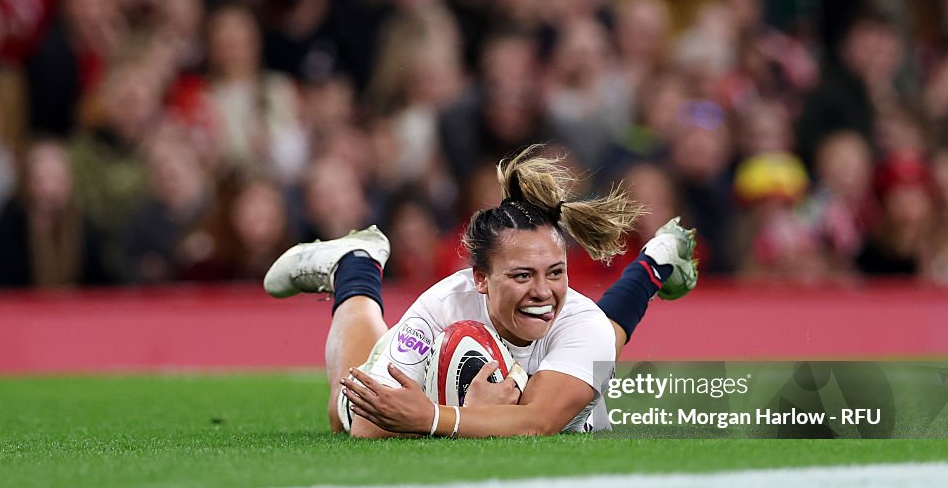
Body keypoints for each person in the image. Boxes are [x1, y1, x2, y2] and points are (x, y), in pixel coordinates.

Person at [264, 147, 697, 438]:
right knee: (340, 413)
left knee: (600, 336)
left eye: (556, 272)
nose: (542, 291)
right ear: (481, 279)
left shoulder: (581, 323)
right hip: (434, 378)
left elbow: (537, 421)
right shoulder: (442, 306)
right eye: (522, 276)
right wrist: (450, 408)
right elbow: (365, 425)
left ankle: (656, 261)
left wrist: (436, 417)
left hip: (555, 354)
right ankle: (356, 266)